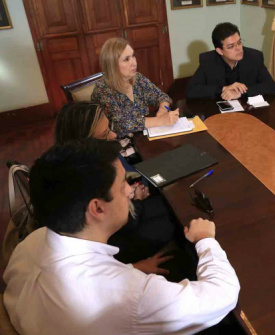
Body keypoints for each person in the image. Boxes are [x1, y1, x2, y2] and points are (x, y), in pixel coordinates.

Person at [3, 139, 240, 335]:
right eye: (122, 185)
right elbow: (223, 294)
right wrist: (205, 240)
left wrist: (131, 267)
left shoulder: (30, 243)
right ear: (97, 209)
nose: (130, 190)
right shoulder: (128, 296)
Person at [54, 101, 177, 265]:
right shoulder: (93, 177)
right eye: (105, 134)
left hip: (123, 221)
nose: (113, 135)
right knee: (175, 214)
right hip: (118, 241)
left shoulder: (71, 163)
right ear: (83, 142)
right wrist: (137, 199)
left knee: (167, 203)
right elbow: (127, 221)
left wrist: (127, 192)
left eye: (110, 128)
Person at [92, 37, 179, 138]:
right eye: (126, 59)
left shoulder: (137, 78)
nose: (134, 62)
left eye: (133, 56)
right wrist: (160, 120)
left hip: (143, 136)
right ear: (112, 65)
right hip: (119, 145)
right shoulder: (102, 89)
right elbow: (121, 124)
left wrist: (162, 112)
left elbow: (162, 96)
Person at [186, 22, 275, 100]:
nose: (238, 48)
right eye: (231, 46)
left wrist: (240, 93)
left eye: (239, 42)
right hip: (218, 113)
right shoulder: (208, 60)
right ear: (219, 51)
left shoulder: (254, 57)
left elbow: (271, 86)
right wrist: (224, 89)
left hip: (248, 111)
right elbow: (191, 91)